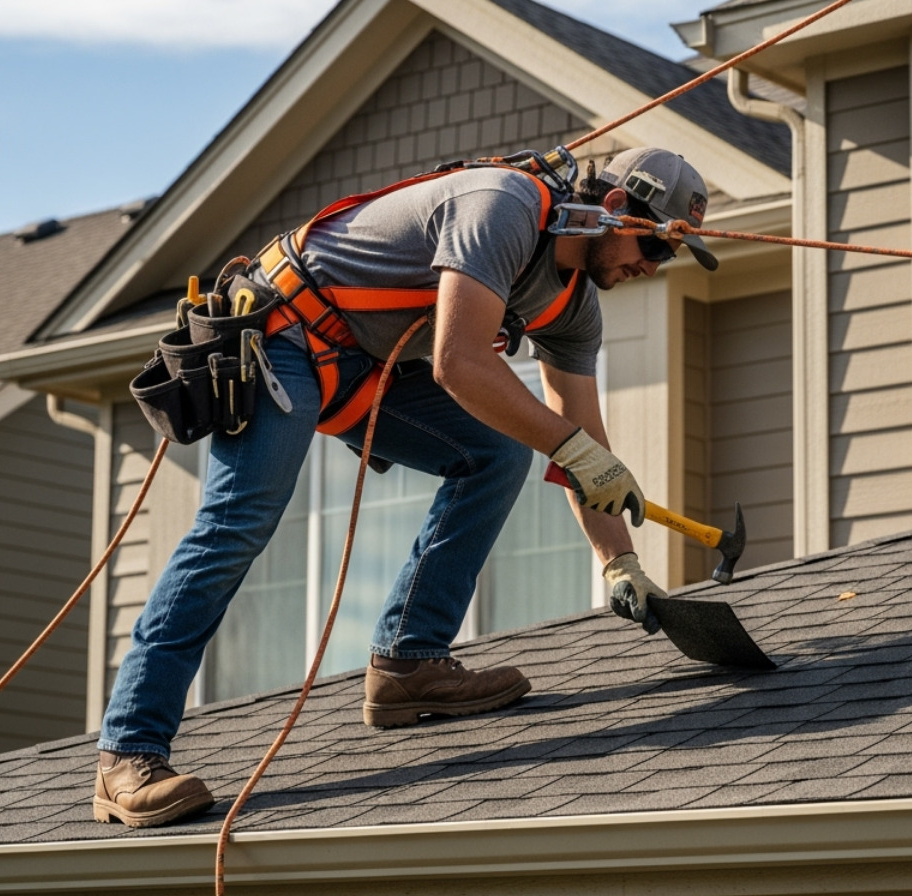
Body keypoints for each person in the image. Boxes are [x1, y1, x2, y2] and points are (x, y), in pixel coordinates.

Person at [92, 147, 718, 828]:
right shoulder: (504, 208)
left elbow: (583, 445)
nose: (651, 267)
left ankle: (408, 664)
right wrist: (575, 452)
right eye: (653, 246)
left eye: (667, 261)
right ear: (615, 209)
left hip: (365, 365)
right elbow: (457, 363)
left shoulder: (573, 311)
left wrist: (619, 563)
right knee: (238, 523)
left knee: (498, 449)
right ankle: (128, 753)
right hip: (288, 333)